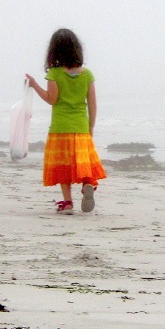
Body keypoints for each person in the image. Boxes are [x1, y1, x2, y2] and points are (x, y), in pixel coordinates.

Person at [26, 28, 106, 214]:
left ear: (53, 51)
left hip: (60, 127)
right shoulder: (87, 75)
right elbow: (92, 104)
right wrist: (91, 126)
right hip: (81, 127)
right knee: (82, 162)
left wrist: (34, 84)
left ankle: (68, 202)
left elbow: (51, 99)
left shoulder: (55, 74)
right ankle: (87, 183)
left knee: (63, 165)